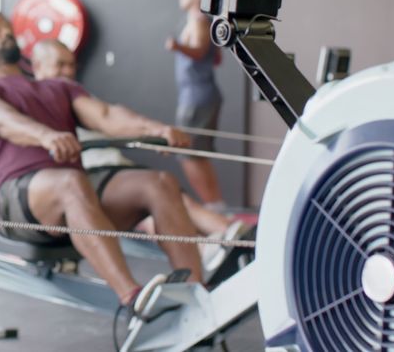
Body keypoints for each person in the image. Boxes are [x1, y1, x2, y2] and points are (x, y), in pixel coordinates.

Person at [0, 13, 203, 306]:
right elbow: (2, 121)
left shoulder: (57, 87)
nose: (6, 33)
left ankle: (197, 294)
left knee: (159, 182)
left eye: (7, 28)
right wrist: (45, 135)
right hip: (20, 204)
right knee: (70, 183)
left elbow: (107, 117)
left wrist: (156, 129)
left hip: (77, 194)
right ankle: (134, 301)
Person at [29, 38, 245, 272]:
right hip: (82, 184)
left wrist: (155, 130)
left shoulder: (77, 95)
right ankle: (215, 245)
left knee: (171, 196)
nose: (67, 71)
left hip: (114, 169)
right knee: (154, 203)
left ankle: (234, 237)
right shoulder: (30, 102)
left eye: (70, 65)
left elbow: (110, 116)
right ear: (38, 66)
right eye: (60, 65)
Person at [165, 0, 226, 210]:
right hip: (196, 93)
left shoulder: (200, 23)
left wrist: (177, 47)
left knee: (189, 153)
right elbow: (216, 57)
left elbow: (200, 52)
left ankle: (214, 206)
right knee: (195, 153)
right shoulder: (197, 22)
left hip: (197, 96)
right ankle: (215, 205)